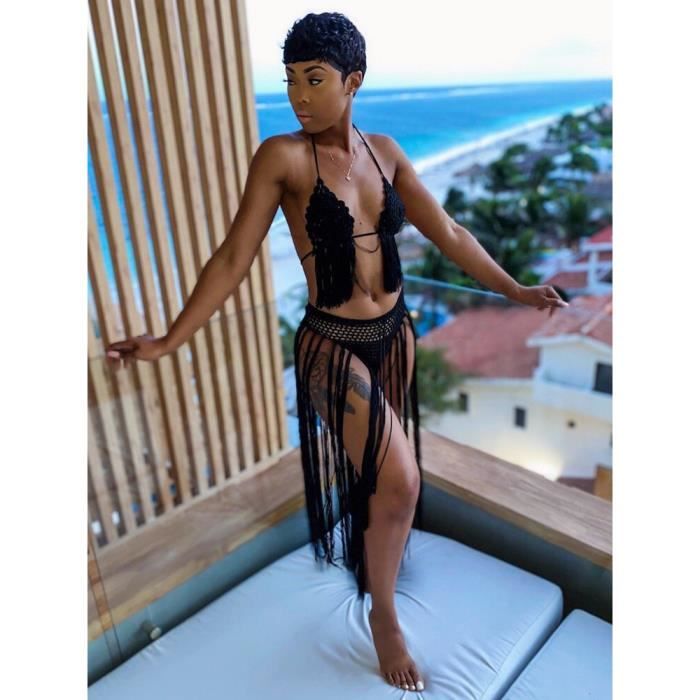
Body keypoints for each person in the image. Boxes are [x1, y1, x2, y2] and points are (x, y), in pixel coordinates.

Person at [105, 11, 568, 693]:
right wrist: (171, 339)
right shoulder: (283, 157)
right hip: (332, 344)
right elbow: (233, 258)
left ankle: (371, 553)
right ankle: (383, 613)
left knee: (378, 477)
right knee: (401, 479)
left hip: (395, 332)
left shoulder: (385, 152)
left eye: (314, 79)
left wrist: (515, 290)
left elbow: (448, 231)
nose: (299, 96)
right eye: (290, 80)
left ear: (354, 81)